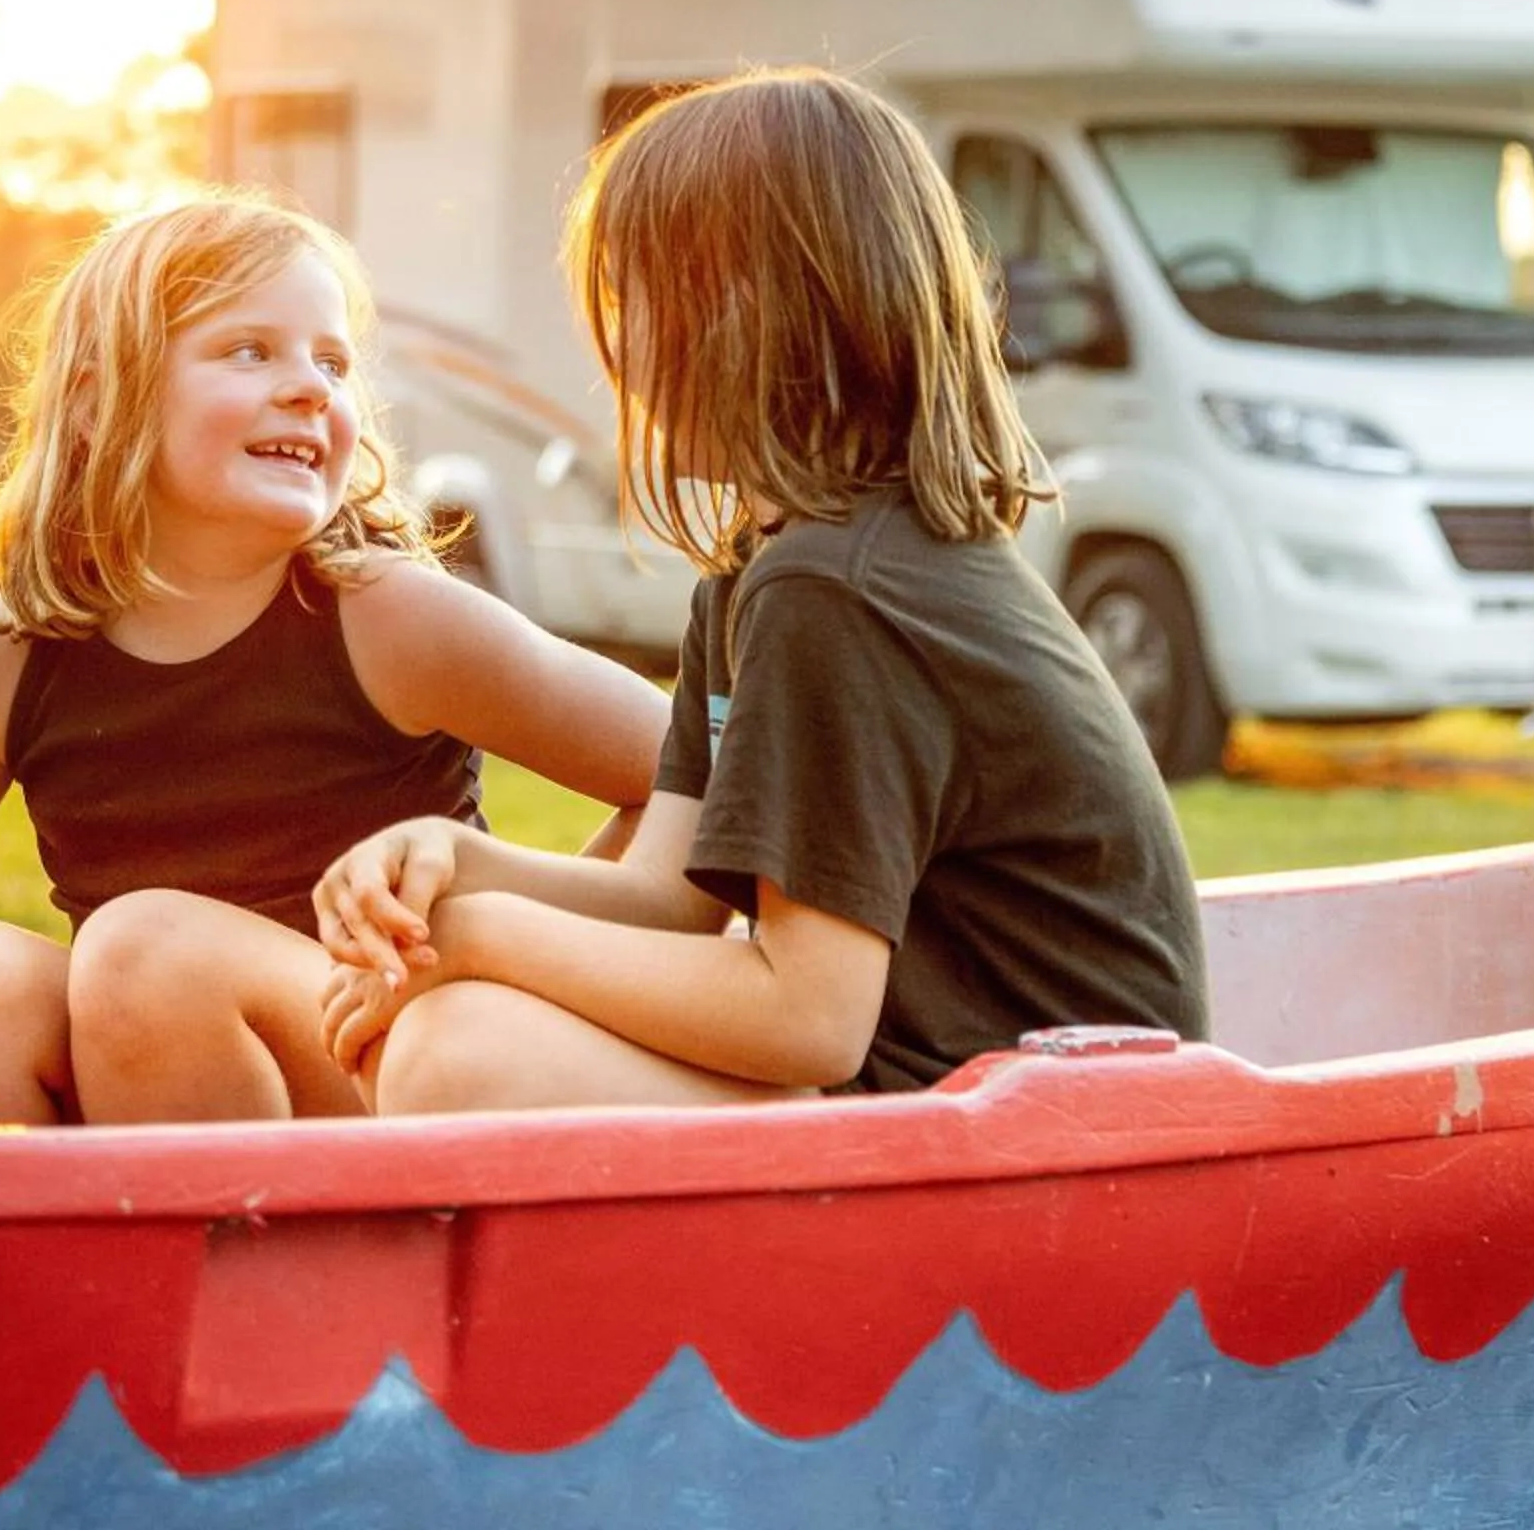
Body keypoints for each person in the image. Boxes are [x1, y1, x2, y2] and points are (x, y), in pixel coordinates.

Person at [313, 70, 1210, 1111]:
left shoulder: (840, 590)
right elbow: (665, 901)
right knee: (454, 1027)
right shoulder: (763, 575)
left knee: (462, 1052)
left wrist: (489, 940)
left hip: (1051, 1131)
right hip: (934, 1094)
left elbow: (807, 1016)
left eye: (631, 295)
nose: (618, 354)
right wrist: (463, 866)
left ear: (745, 311)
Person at [0, 194, 669, 1127]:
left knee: (146, 952)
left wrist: (530, 958)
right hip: (148, 1068)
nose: (313, 386)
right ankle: (10, 1262)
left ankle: (268, 1272)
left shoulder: (389, 621)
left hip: (375, 1067)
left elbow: (702, 766)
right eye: (249, 350)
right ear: (98, 398)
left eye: (334, 361)